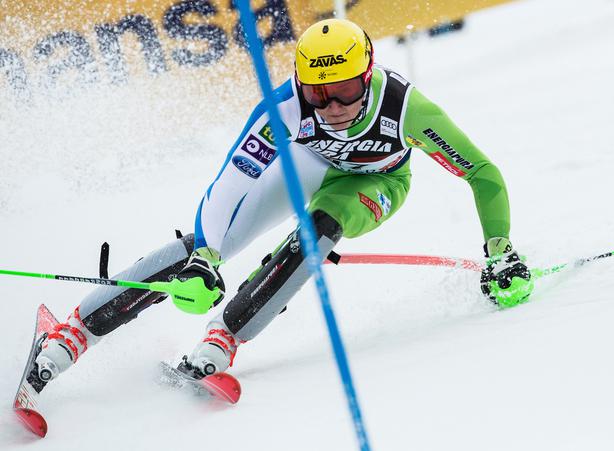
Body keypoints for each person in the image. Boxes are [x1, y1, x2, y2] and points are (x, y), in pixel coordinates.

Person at [29, 18, 533, 389]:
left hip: (375, 182)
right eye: (319, 93)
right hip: (307, 163)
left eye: (345, 90)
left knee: (319, 229)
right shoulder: (284, 108)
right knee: (207, 244)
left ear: (369, 75)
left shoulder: (406, 109)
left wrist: (500, 247)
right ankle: (75, 331)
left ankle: (226, 336)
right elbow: (230, 182)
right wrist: (207, 253)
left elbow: (482, 173)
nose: (333, 105)